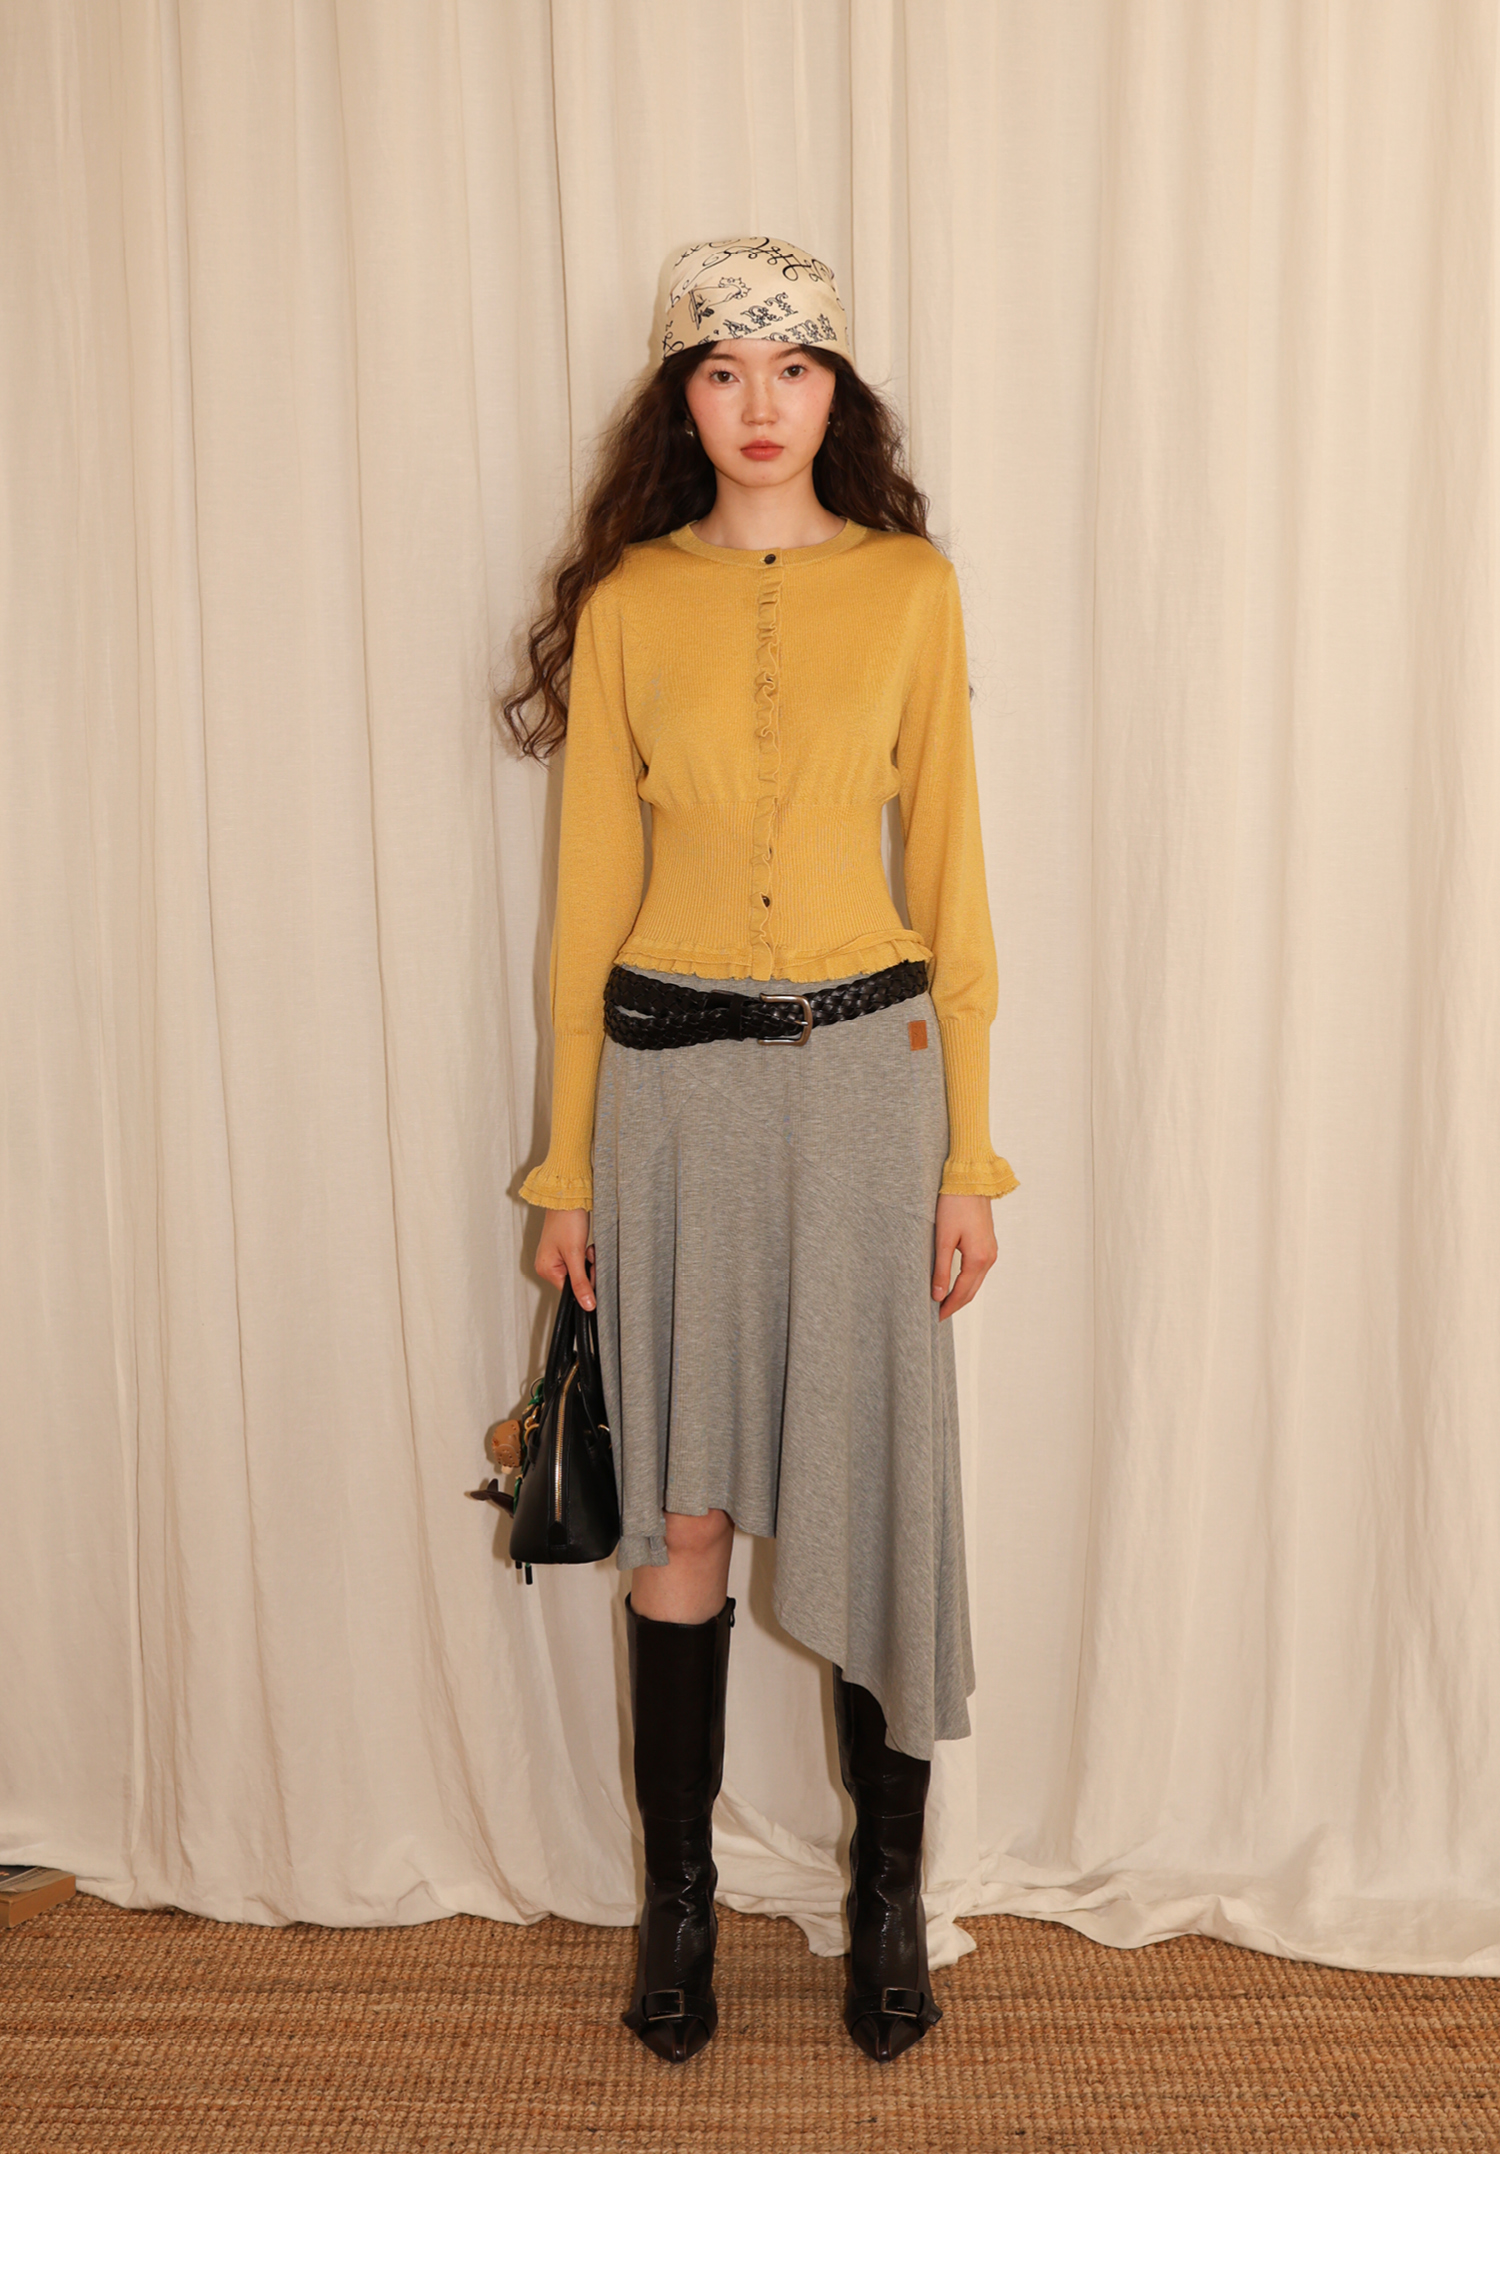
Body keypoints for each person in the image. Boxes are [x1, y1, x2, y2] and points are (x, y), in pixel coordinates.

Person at [502, 235, 1018, 2067]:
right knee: (687, 1501)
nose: (759, 403)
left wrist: (970, 1153)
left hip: (871, 1086)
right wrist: (565, 1170)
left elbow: (951, 876)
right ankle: (679, 1901)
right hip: (673, 1095)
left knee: (876, 1484)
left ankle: (889, 1897)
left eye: (792, 369)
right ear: (682, 398)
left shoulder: (912, 589)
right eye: (722, 370)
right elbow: (588, 906)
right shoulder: (633, 600)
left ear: (836, 391)